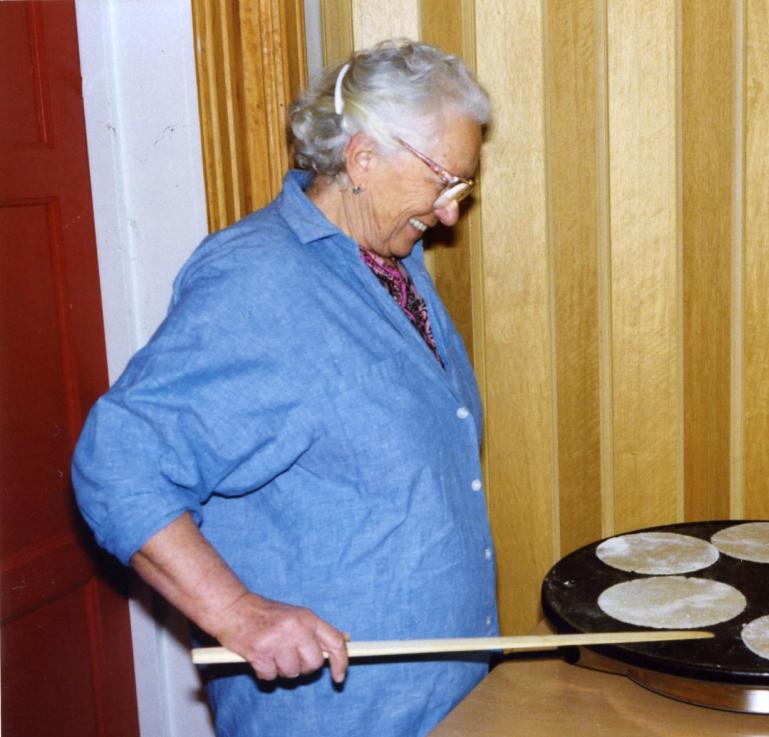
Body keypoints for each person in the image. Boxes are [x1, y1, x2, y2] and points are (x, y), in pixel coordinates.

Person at [72, 39, 497, 737]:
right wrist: (238, 611)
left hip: (440, 704)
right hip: (336, 715)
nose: (450, 211)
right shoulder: (256, 283)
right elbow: (119, 463)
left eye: (461, 188)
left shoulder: (392, 260)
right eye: (444, 182)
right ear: (362, 158)